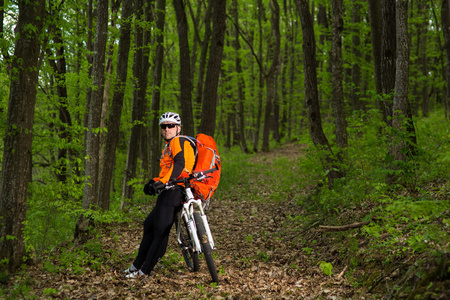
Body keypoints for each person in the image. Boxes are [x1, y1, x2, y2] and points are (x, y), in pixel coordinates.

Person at [124, 112, 196, 278]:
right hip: (170, 188)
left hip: (175, 190)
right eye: (164, 126)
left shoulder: (177, 141)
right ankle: (135, 266)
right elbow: (169, 169)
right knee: (149, 224)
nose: (167, 129)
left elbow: (180, 164)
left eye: (171, 125)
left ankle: (144, 271)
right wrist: (154, 182)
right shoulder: (169, 146)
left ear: (178, 128)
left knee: (160, 230)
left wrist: (166, 182)